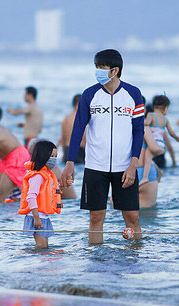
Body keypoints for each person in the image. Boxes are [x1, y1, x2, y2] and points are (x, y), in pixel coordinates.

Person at [61, 49, 145, 244]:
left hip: (125, 167)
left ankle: (134, 258)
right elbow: (77, 129)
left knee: (132, 218)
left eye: (101, 67)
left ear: (114, 71)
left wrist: (133, 164)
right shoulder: (89, 94)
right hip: (95, 166)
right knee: (96, 217)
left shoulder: (133, 94)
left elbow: (139, 131)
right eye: (96, 67)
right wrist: (70, 162)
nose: (97, 71)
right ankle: (96, 260)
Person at [18, 140, 61, 249]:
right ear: (43, 155)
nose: (54, 159)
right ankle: (37, 264)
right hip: (36, 216)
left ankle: (42, 264)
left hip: (43, 216)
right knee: (41, 246)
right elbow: (31, 196)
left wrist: (62, 186)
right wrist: (36, 218)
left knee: (44, 247)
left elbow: (47, 190)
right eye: (52, 156)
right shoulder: (37, 176)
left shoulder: (46, 174)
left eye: (55, 156)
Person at [146, 95, 179, 169]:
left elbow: (146, 123)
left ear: (153, 106)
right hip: (161, 146)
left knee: (147, 159)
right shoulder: (166, 120)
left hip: (152, 144)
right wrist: (177, 138)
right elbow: (171, 133)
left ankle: (145, 177)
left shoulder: (151, 115)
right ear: (165, 108)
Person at [59, 94, 86, 164]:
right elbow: (86, 137)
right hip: (79, 151)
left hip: (67, 151)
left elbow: (63, 138)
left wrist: (64, 154)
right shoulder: (82, 118)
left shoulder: (66, 118)